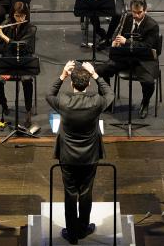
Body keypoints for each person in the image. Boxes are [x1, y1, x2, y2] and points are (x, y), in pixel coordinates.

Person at [46, 60, 114, 244]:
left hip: (67, 155)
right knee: (86, 192)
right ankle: (83, 229)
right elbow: (110, 94)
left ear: (71, 83)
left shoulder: (63, 102)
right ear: (89, 84)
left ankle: (72, 233)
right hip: (90, 155)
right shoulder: (97, 102)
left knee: (70, 193)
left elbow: (49, 94)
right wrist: (95, 74)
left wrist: (62, 74)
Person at [96, 0, 161, 119]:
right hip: (125, 57)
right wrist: (115, 42)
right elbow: (119, 34)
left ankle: (145, 102)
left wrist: (127, 42)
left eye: (139, 12)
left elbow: (147, 46)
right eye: (134, 12)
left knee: (148, 82)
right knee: (99, 71)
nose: (136, 15)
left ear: (145, 10)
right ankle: (107, 99)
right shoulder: (127, 18)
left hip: (143, 60)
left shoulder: (152, 26)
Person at [0, 1, 37, 126]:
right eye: (17, 16)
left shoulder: (31, 28)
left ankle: (28, 110)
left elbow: (21, 46)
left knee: (27, 79)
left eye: (22, 16)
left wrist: (3, 36)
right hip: (8, 61)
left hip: (24, 61)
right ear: (13, 15)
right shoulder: (7, 24)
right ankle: (4, 105)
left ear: (26, 15)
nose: (20, 19)